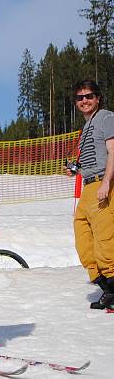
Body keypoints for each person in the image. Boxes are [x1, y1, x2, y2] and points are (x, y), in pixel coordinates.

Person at [67, 79, 114, 310]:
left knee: (105, 244)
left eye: (89, 96)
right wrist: (75, 168)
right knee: (84, 241)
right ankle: (108, 290)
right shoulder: (87, 126)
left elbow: (112, 151)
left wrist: (106, 182)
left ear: (98, 98)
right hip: (88, 186)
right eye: (80, 97)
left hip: (102, 186)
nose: (84, 100)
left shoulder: (106, 117)